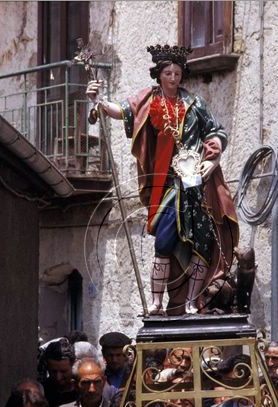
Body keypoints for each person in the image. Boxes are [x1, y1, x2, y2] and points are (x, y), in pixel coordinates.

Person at [87, 44, 239, 316]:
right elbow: (122, 111)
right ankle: (157, 302)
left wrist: (212, 157)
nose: (173, 78)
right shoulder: (149, 101)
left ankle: (193, 300)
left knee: (201, 244)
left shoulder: (194, 103)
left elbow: (217, 131)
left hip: (196, 186)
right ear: (159, 75)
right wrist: (97, 101)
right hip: (167, 186)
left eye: (177, 73)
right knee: (164, 242)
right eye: (168, 73)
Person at [41, 338, 78, 407]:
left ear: (73, 364)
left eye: (64, 371)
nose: (58, 377)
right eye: (53, 371)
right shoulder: (41, 393)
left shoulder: (83, 390)